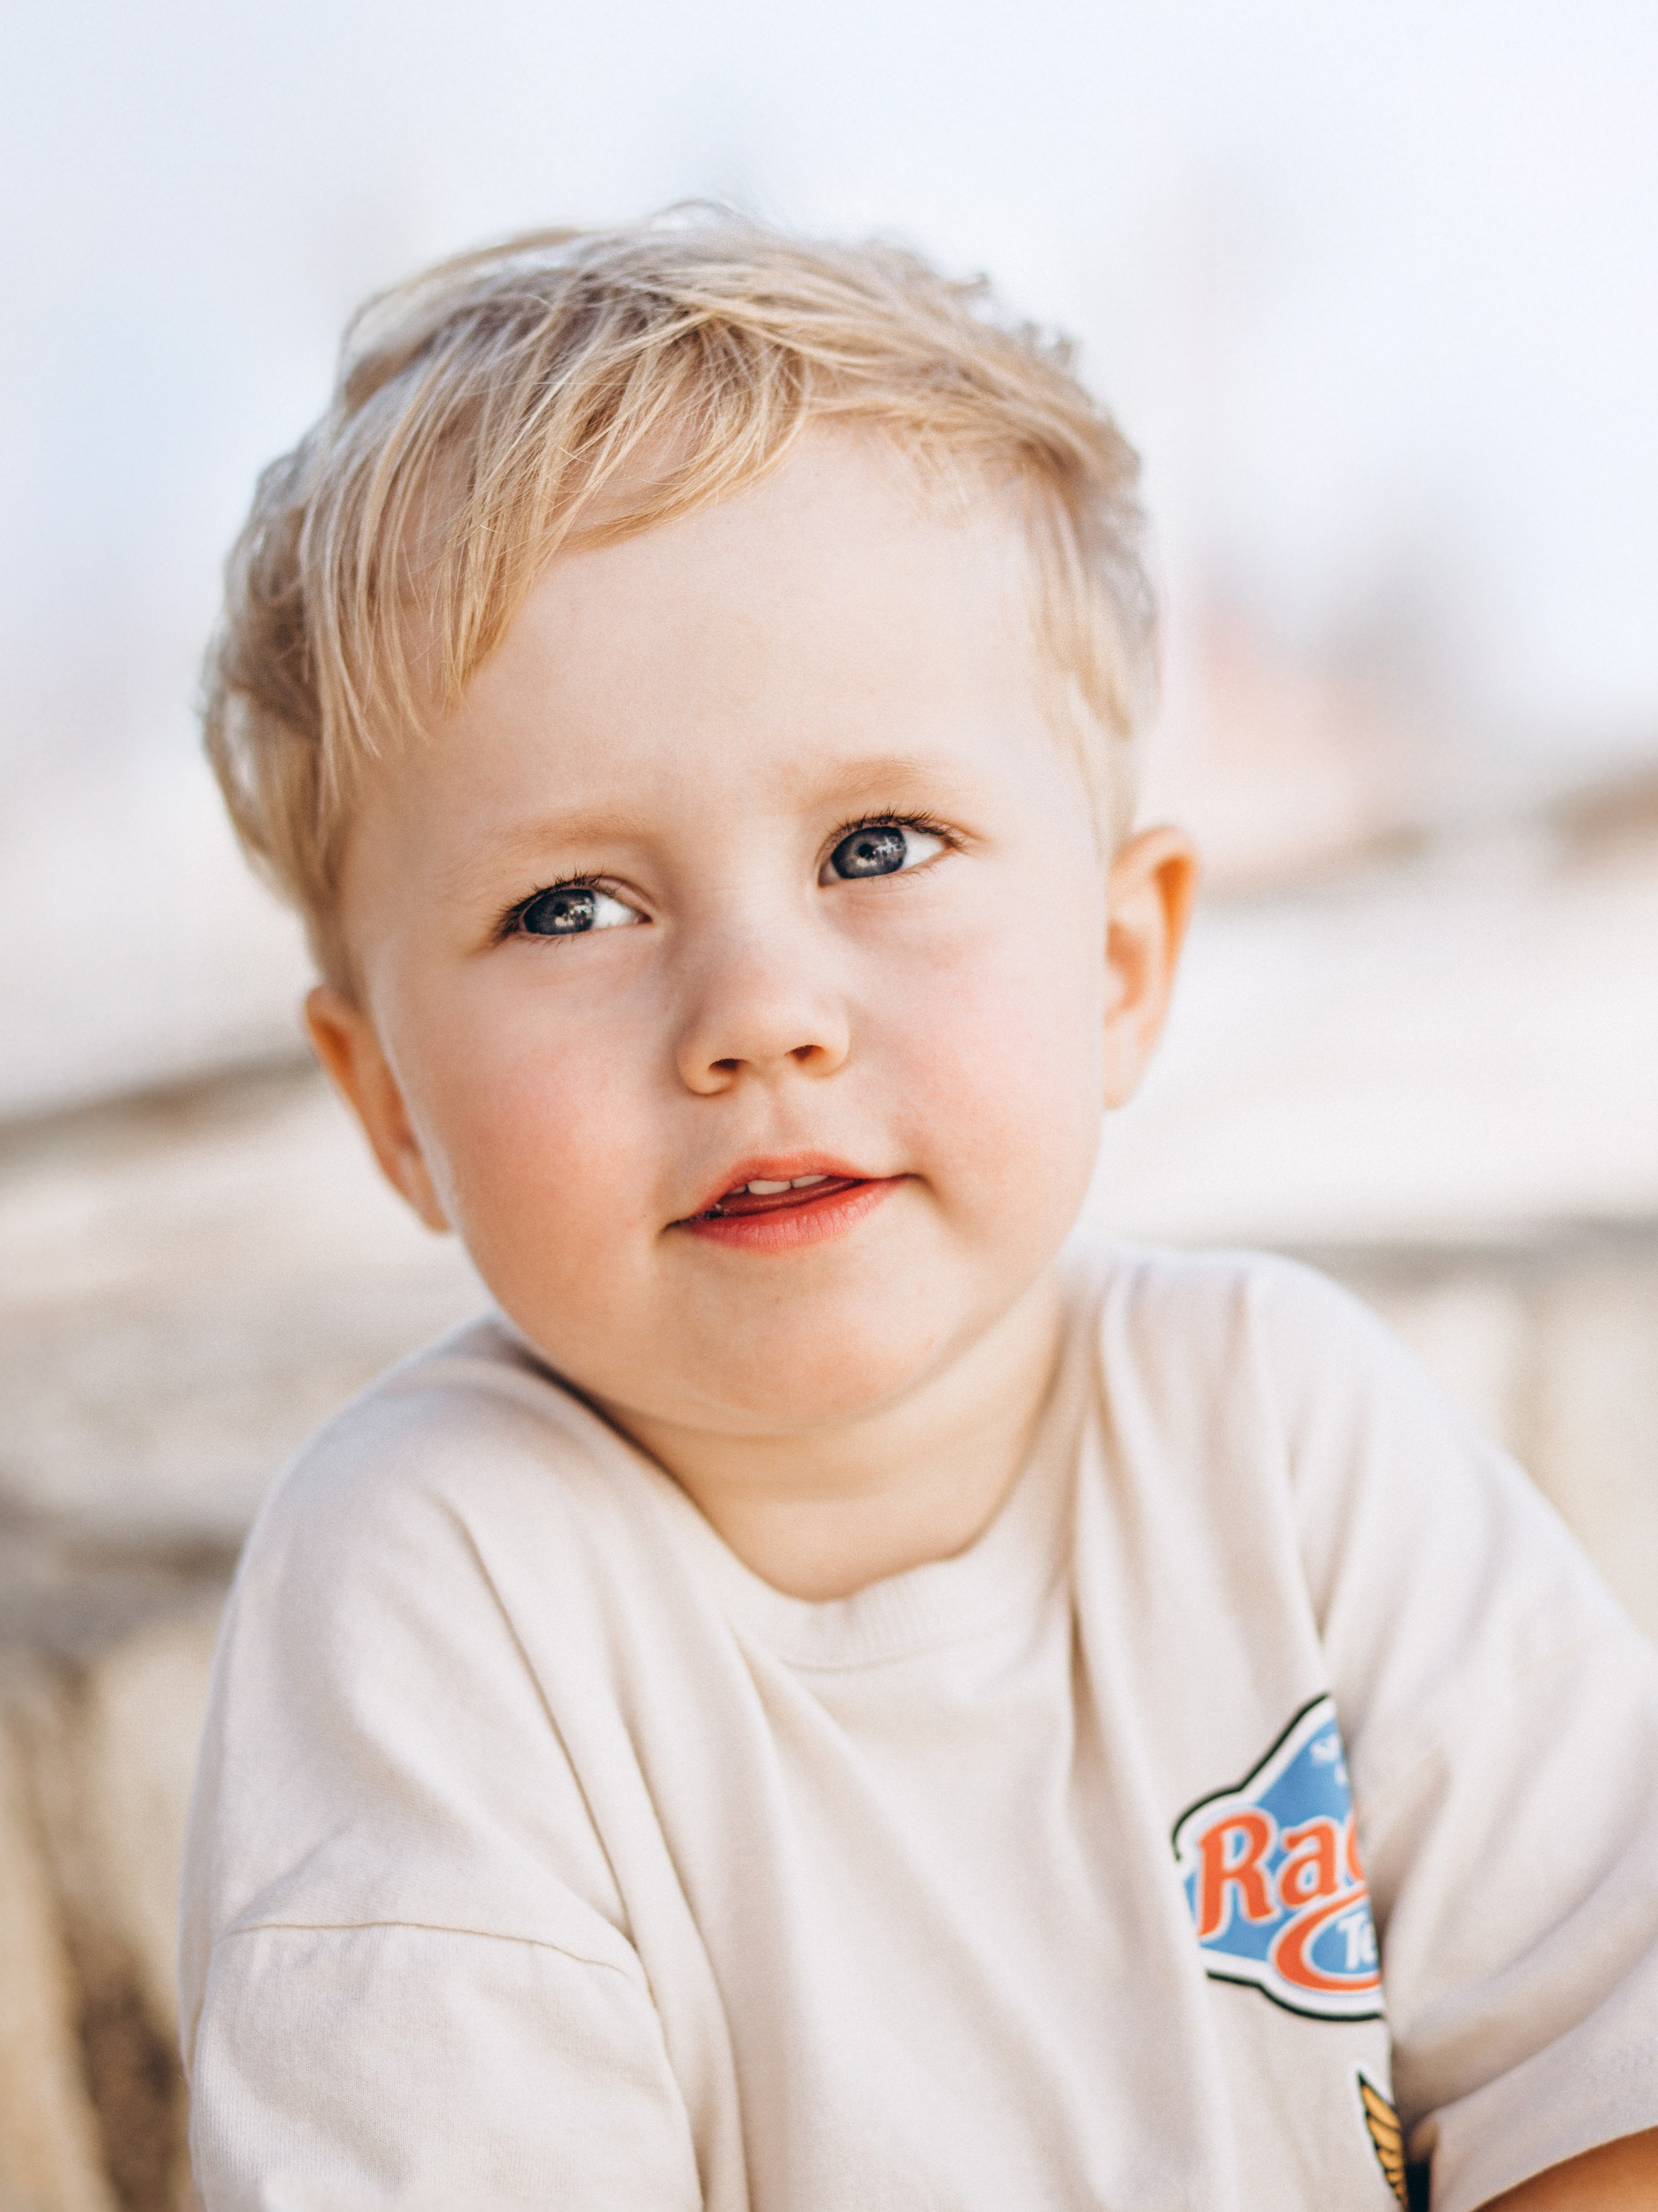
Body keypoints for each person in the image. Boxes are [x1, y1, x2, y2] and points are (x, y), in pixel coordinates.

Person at [183, 212, 1658, 2211]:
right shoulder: (437, 1587)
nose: (759, 1016)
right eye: (570, 907)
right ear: (390, 1108)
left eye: (879, 844)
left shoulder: (1287, 1429)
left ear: (1121, 963)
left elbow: (1607, 2088)